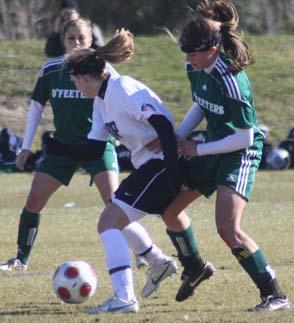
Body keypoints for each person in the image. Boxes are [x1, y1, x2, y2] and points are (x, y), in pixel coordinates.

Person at [0, 19, 178, 299]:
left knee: (116, 205)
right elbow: (36, 107)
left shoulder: (105, 75)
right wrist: (28, 146)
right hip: (66, 147)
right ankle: (21, 258)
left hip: (98, 146)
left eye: (81, 38)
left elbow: (137, 116)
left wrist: (163, 154)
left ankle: (147, 261)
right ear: (63, 40)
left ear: (90, 40)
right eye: (71, 38)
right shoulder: (52, 70)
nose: (76, 43)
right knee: (34, 200)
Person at [44, 28, 214, 313]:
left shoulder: (123, 89)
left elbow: (160, 122)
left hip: (163, 164)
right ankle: (175, 265)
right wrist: (58, 148)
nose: (75, 85)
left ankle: (125, 298)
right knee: (126, 217)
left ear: (85, 77)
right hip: (153, 166)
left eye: (74, 79)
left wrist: (172, 169)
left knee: (108, 223)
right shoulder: (101, 101)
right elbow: (94, 150)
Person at [160, 0, 290, 312]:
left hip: (240, 151)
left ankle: (275, 295)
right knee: (169, 210)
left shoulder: (233, 79)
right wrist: (178, 136)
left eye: (193, 52)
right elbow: (202, 103)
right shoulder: (195, 65)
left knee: (228, 228)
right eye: (186, 52)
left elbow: (244, 136)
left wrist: (196, 148)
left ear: (213, 48)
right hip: (215, 145)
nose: (188, 58)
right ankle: (195, 268)